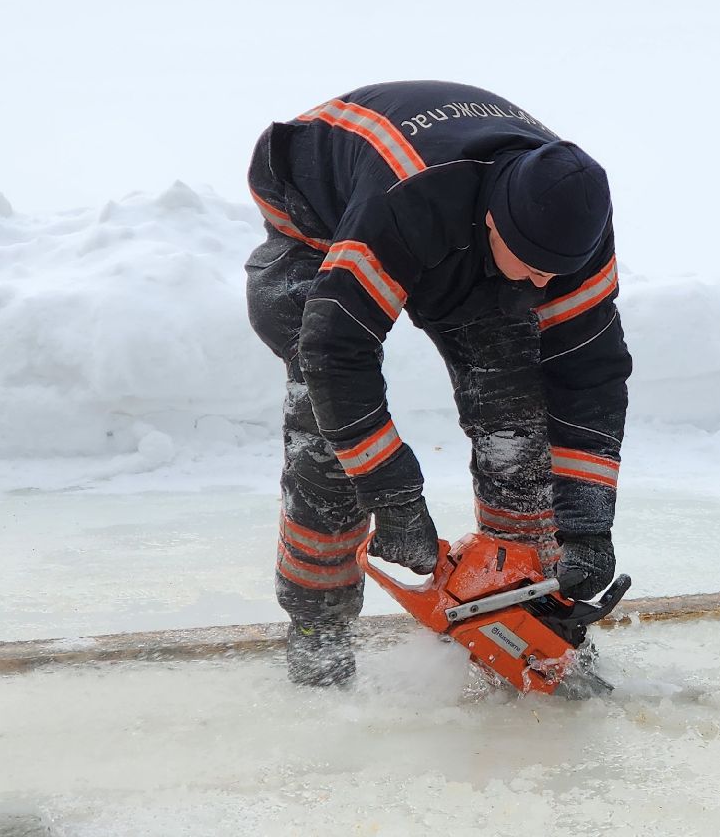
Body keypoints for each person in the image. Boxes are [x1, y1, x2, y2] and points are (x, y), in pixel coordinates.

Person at [244, 80, 631, 686]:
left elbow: (590, 378)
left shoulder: (574, 237)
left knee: (520, 426)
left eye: (554, 273)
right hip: (318, 214)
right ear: (494, 223)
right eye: (531, 265)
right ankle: (317, 625)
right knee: (331, 443)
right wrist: (394, 496)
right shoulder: (408, 200)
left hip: (463, 235)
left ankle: (522, 607)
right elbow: (335, 354)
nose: (540, 285)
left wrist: (587, 529)